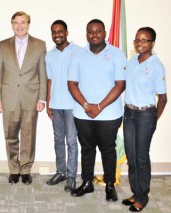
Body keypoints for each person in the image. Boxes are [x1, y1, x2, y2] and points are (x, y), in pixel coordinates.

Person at [68, 19, 127, 201]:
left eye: (98, 31)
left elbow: (120, 85)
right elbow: (72, 84)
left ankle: (110, 185)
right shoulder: (77, 55)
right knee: (87, 149)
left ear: (105, 33)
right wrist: (87, 106)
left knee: (108, 150)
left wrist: (99, 106)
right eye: (90, 31)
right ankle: (87, 183)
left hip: (109, 114)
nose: (94, 35)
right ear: (86, 33)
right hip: (83, 113)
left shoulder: (117, 54)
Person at [0, 11, 47, 185]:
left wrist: (42, 98)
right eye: (16, 23)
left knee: (28, 136)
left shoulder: (39, 45)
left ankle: (25, 169)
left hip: (31, 98)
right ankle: (13, 169)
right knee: (10, 135)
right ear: (12, 25)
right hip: (8, 98)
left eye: (23, 22)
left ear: (28, 24)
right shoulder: (3, 45)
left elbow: (42, 73)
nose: (19, 26)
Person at [122, 27, 167, 212]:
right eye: (137, 40)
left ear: (152, 43)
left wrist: (153, 120)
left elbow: (163, 98)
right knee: (131, 157)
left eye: (144, 40)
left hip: (145, 115)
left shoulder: (157, 66)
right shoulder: (132, 61)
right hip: (129, 113)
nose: (140, 43)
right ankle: (136, 192)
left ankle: (143, 197)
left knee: (141, 157)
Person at [45, 20, 81, 192]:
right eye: (54, 32)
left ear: (67, 32)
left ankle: (71, 176)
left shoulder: (79, 52)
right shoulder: (49, 55)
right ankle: (61, 172)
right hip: (56, 104)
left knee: (72, 142)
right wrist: (48, 102)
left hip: (73, 106)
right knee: (58, 140)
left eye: (60, 31)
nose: (57, 35)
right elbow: (49, 80)